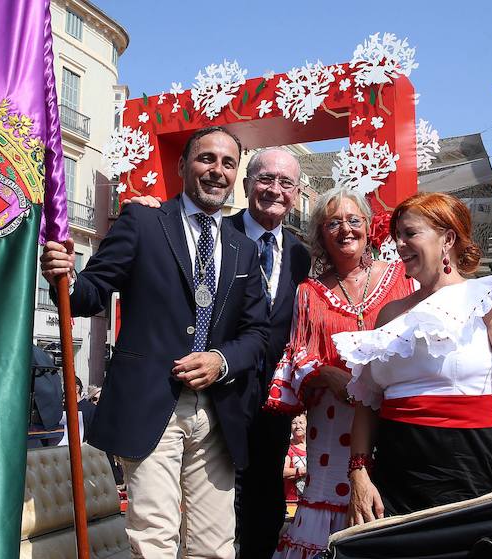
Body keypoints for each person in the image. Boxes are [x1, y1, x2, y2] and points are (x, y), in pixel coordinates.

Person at [40, 126, 269, 558]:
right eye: (206, 159)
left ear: (236, 173)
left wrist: (221, 360)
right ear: (182, 166)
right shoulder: (143, 221)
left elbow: (256, 333)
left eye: (228, 163)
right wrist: (65, 276)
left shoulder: (243, 248)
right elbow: (90, 294)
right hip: (153, 404)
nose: (216, 171)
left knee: (215, 545)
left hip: (218, 412)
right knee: (154, 540)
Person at [337, 192, 492, 523]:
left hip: (465, 468)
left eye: (410, 234)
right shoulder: (390, 314)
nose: (399, 245)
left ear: (448, 239)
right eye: (397, 236)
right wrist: (359, 473)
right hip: (391, 477)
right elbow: (369, 402)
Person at [118, 147, 312, 558]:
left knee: (264, 509)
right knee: (186, 522)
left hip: (272, 405)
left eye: (286, 183)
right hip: (213, 402)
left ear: (296, 194)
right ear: (246, 185)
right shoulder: (210, 232)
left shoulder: (301, 255)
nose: (274, 190)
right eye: (265, 179)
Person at [266, 186, 414, 557]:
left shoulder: (401, 277)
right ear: (320, 234)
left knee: (390, 510)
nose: (345, 229)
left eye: (353, 220)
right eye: (333, 223)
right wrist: (326, 375)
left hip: (395, 416)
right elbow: (297, 355)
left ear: (369, 226)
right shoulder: (308, 292)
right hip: (333, 424)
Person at [283, 414, 307, 503]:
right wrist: (303, 471)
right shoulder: (287, 447)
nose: (298, 426)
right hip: (292, 501)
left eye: (301, 423)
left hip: (311, 500)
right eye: (294, 423)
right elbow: (283, 472)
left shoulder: (313, 446)